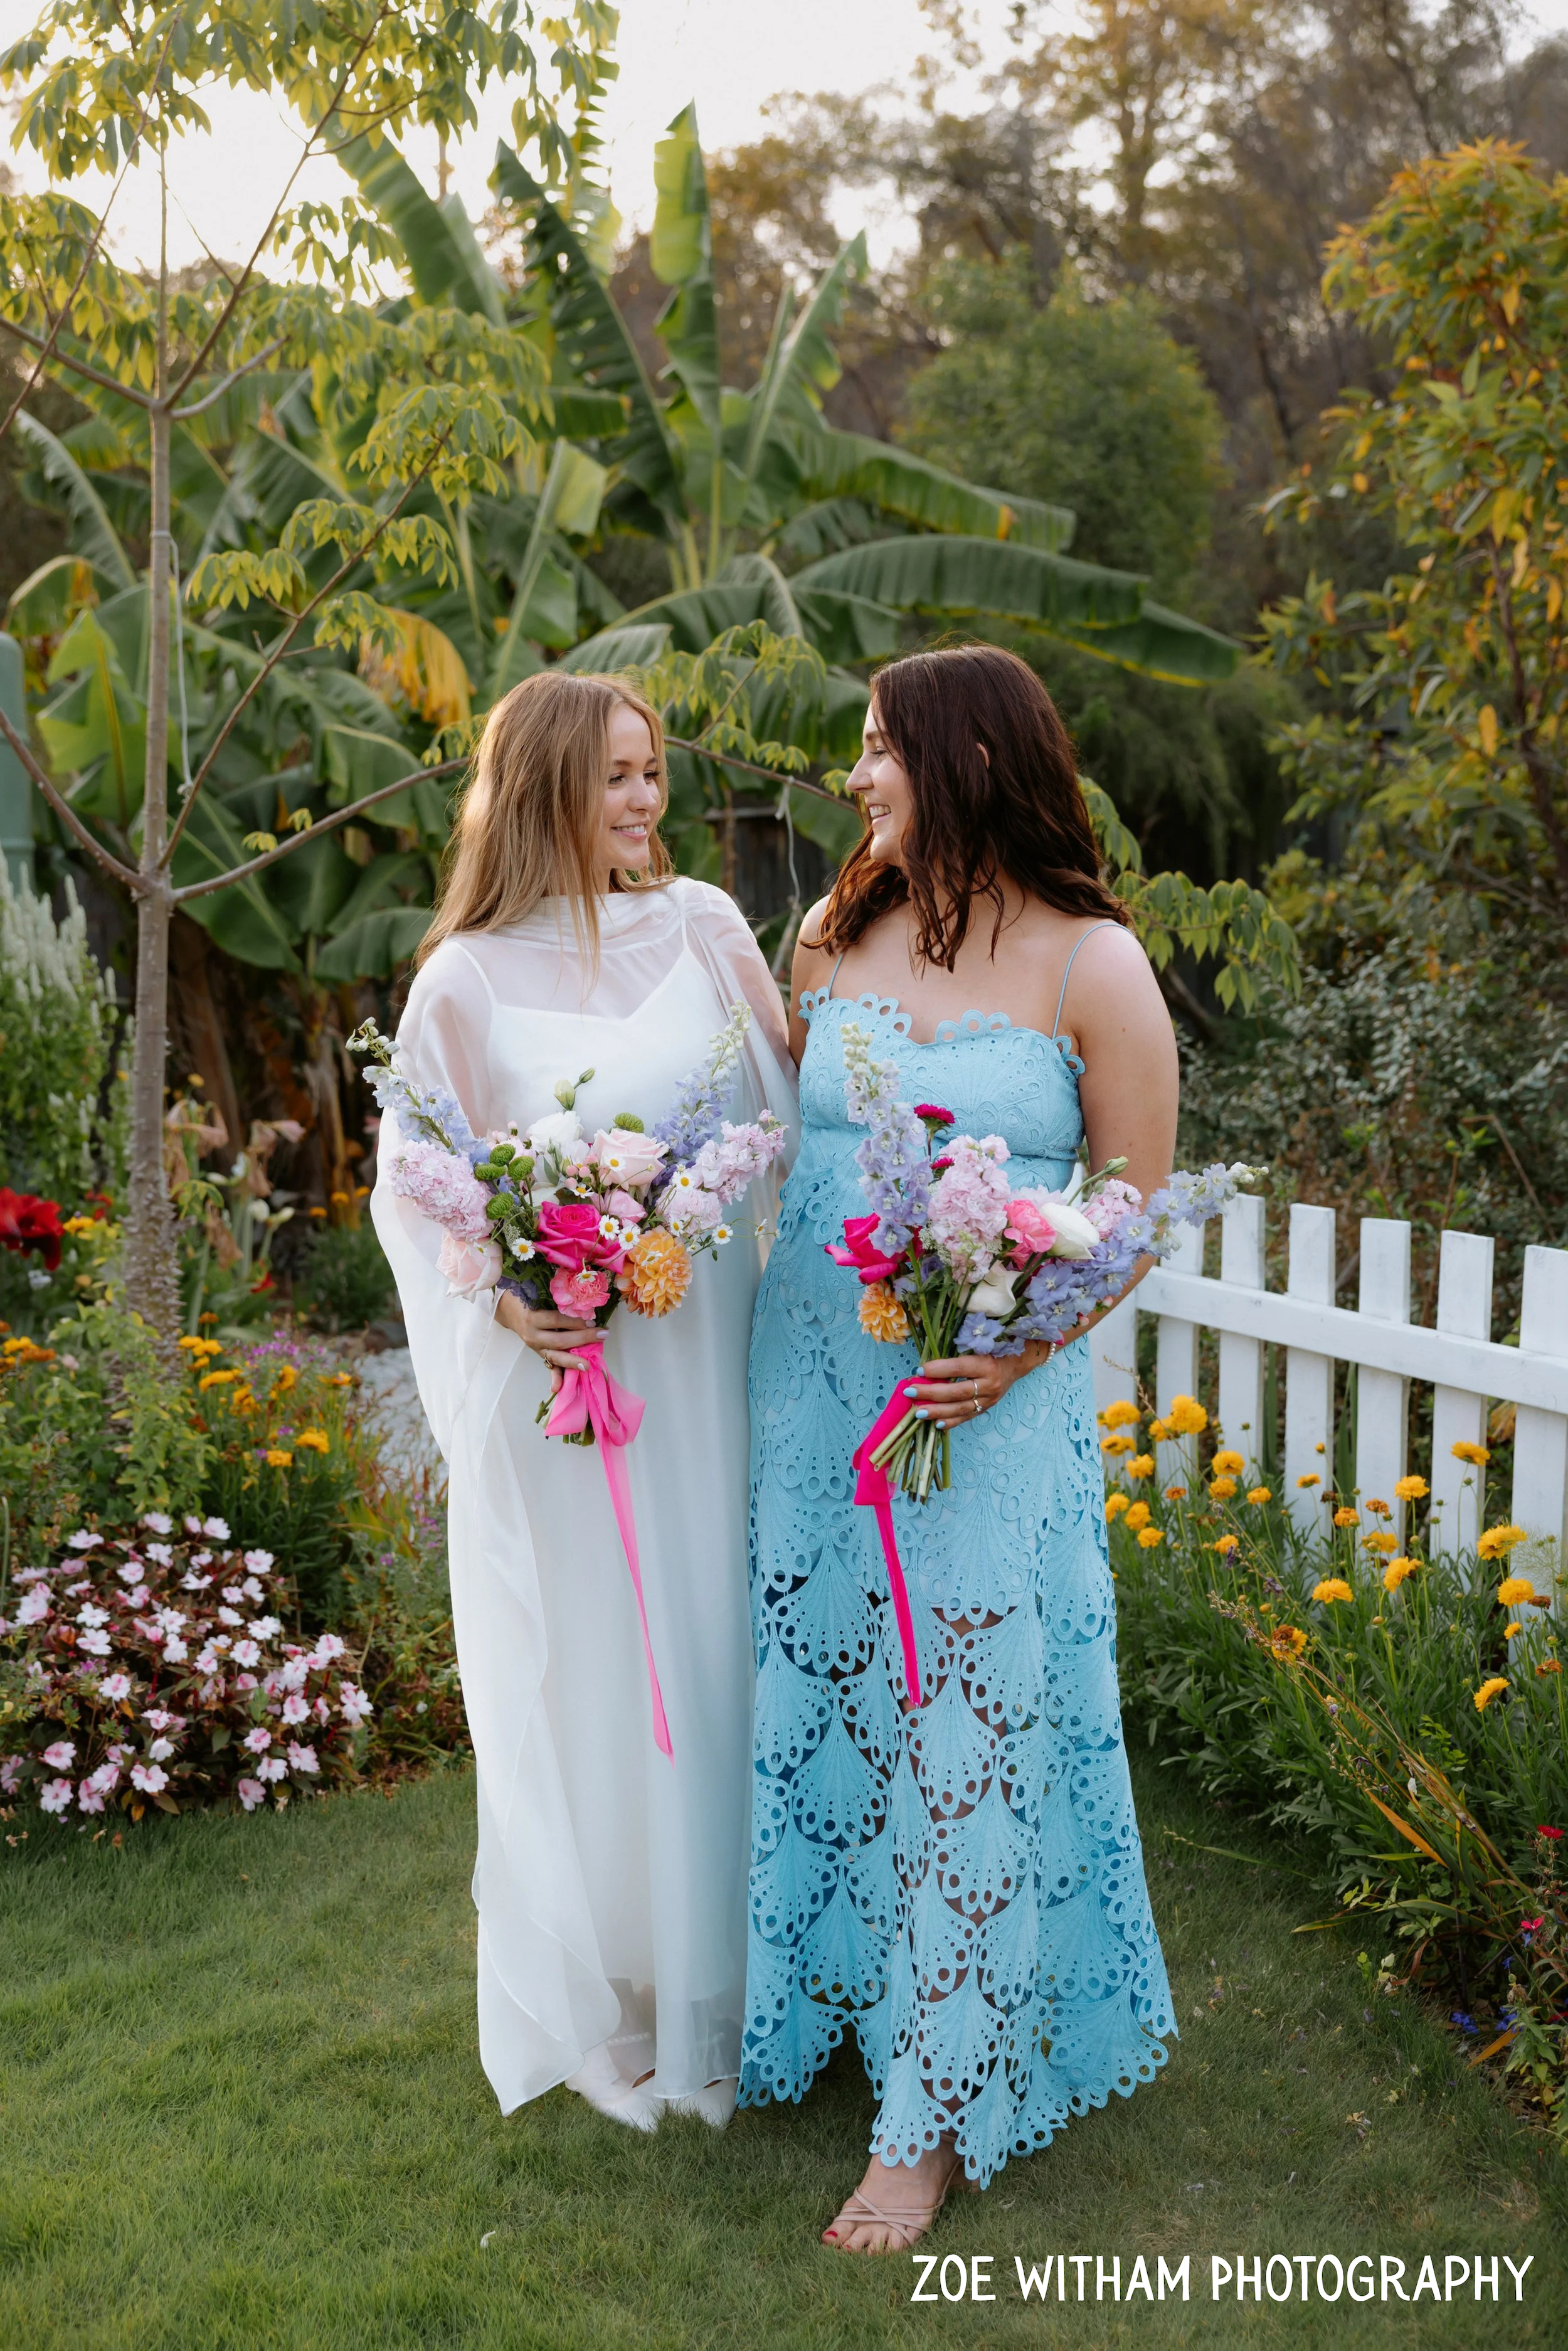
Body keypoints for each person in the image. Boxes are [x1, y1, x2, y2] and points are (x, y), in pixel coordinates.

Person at [740, 643, 1178, 2249]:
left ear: (962, 756)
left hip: (981, 1414)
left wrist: (1009, 1343)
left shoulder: (1091, 965)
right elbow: (797, 1143)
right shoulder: (834, 929)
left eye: (876, 747)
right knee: (830, 1693)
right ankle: (823, 2007)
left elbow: (1127, 1219)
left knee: (967, 1725)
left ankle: (927, 2110)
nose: (855, 775)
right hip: (813, 1398)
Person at [372, 671, 795, 2132]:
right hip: (578, 1393)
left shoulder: (707, 927)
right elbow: (419, 1187)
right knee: (602, 1674)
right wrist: (513, 1298)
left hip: (712, 1359)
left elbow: (786, 1124)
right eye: (612, 775)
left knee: (718, 1640)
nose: (641, 801)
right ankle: (623, 1991)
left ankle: (748, 1970)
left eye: (652, 772)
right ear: (545, 785)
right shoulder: (463, 980)